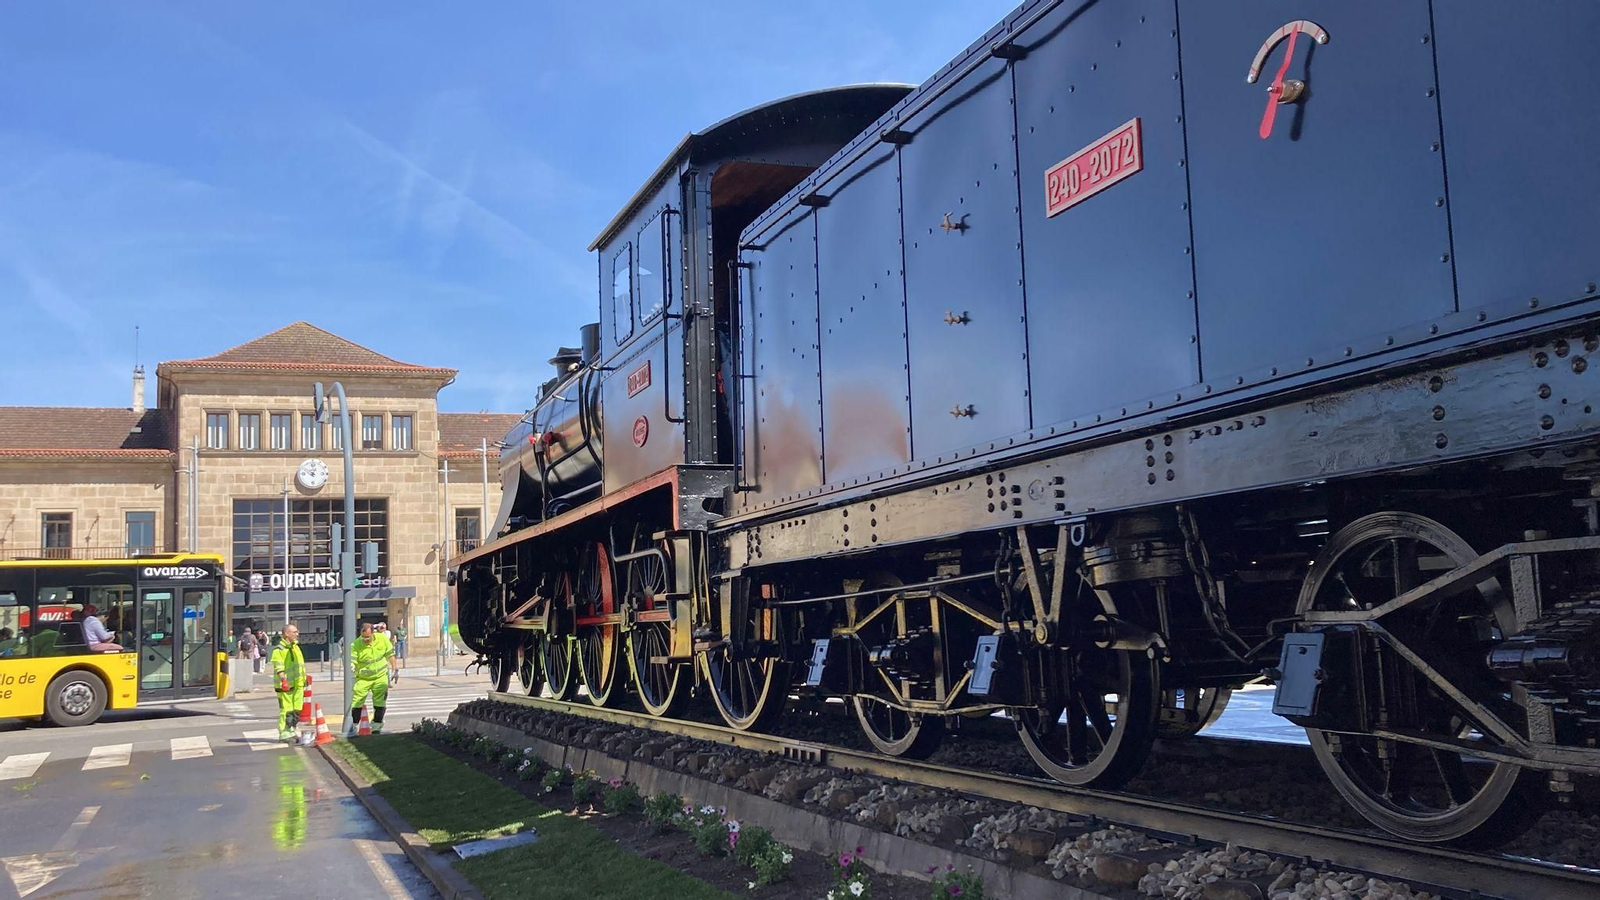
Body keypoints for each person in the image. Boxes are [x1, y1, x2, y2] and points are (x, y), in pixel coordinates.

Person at [348, 621, 398, 736]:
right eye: (363, 637)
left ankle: (376, 727)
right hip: (363, 678)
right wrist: (352, 665)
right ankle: (354, 726)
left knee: (380, 703)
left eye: (368, 637)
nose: (365, 639)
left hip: (380, 677)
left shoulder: (382, 639)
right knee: (356, 702)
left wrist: (395, 669)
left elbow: (390, 654)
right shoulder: (356, 644)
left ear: (373, 633)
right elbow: (353, 659)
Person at [270, 624, 306, 743]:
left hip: (298, 684)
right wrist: (283, 680)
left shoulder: (295, 647)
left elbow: (300, 665)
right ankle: (284, 732)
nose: (297, 633)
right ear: (286, 634)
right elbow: (278, 667)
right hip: (286, 686)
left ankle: (291, 729)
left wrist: (304, 679)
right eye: (294, 632)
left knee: (297, 709)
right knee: (286, 709)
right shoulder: (279, 650)